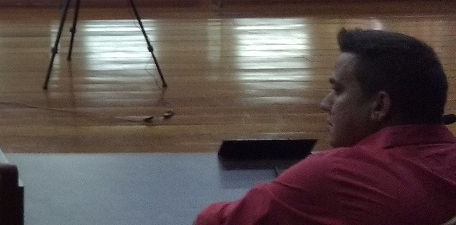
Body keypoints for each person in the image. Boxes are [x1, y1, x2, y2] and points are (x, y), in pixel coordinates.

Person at [195, 28, 456, 224]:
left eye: (338, 90)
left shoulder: (336, 176)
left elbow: (215, 221)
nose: (325, 103)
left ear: (380, 106)